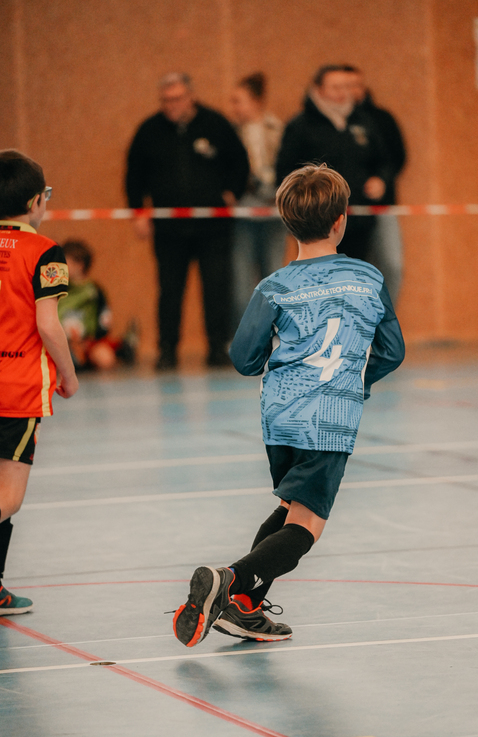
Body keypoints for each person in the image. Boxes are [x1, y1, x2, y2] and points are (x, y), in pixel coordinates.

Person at [172, 164, 405, 646]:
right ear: (341, 220)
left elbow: (243, 358)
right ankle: (229, 580)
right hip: (331, 416)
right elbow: (391, 351)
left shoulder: (275, 285)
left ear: (285, 222)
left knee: (290, 507)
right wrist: (354, 381)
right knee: (307, 526)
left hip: (280, 416)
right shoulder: (368, 277)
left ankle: (246, 608)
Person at [126, 72, 250, 369]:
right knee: (170, 290)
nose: (172, 105)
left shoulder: (215, 124)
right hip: (169, 229)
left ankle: (217, 348)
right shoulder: (149, 130)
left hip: (213, 228)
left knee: (216, 288)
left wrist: (232, 192)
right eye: (166, 100)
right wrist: (138, 212)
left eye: (177, 99)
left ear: (191, 97)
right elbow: (134, 175)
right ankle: (167, 350)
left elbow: (240, 162)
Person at [0, 150, 79, 615]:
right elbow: (48, 326)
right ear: (35, 202)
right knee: (7, 498)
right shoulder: (45, 252)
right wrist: (68, 376)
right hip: (18, 389)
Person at [276, 64, 394, 264]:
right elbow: (284, 172)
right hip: (317, 222)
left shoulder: (364, 121)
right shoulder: (300, 126)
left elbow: (384, 161)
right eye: (335, 87)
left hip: (359, 218)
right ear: (319, 89)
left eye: (346, 87)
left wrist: (380, 180)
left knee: (359, 269)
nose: (342, 93)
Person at [230, 73, 286, 325]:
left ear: (256, 102)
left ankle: (274, 332)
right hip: (243, 213)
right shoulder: (231, 133)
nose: (234, 107)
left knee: (273, 277)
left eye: (238, 101)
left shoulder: (278, 129)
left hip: (273, 214)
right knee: (241, 282)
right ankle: (244, 335)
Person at [347, 66, 407, 303]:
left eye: (356, 85)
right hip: (346, 211)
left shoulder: (382, 119)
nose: (351, 91)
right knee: (355, 269)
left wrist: (382, 179)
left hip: (381, 205)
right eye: (345, 86)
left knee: (392, 264)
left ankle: (384, 316)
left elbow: (396, 158)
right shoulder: (333, 125)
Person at [58, 240, 116, 370]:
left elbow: (104, 319)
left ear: (80, 265)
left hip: (87, 342)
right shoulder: (58, 288)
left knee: (105, 358)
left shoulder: (94, 290)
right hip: (61, 341)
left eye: (65, 262)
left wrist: (88, 341)